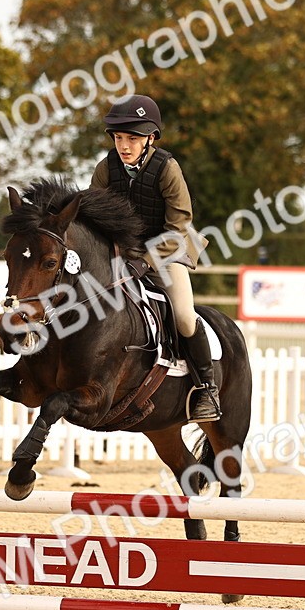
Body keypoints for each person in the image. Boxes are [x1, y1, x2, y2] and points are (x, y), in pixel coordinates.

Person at [90, 94, 221, 422]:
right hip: (124, 252)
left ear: (150, 138)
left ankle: (207, 387)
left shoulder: (167, 168)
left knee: (183, 316)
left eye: (132, 139)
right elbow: (91, 214)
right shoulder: (106, 168)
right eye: (119, 138)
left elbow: (178, 226)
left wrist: (146, 261)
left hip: (168, 249)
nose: (124, 146)